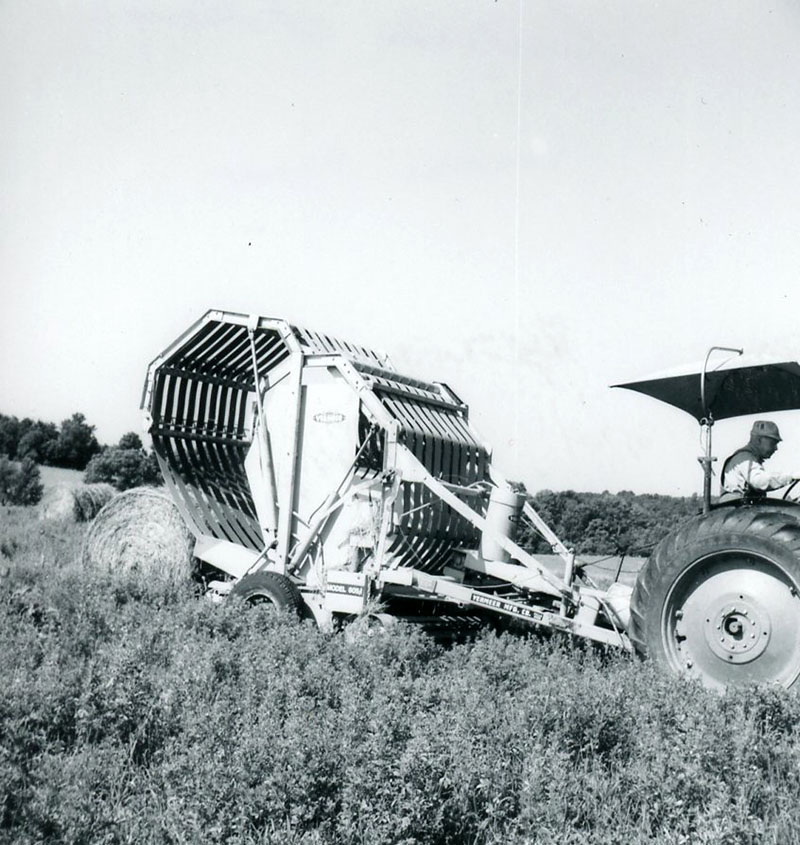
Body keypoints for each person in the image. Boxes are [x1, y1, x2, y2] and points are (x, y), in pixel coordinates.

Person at [720, 420, 796, 501]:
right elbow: (759, 481)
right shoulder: (745, 459)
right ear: (759, 440)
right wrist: (791, 476)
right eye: (772, 443)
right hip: (738, 508)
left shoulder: (751, 459)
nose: (776, 448)